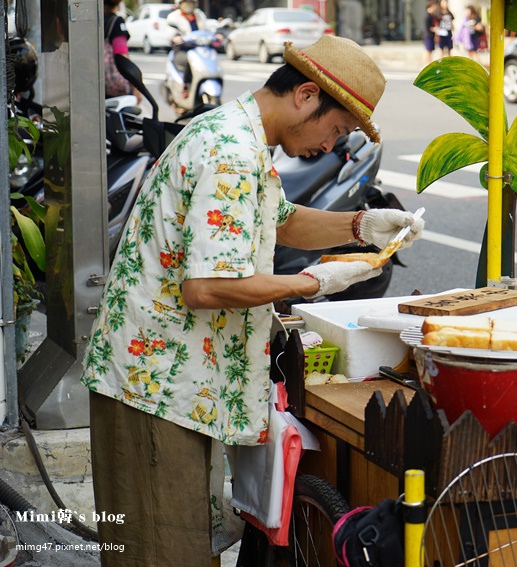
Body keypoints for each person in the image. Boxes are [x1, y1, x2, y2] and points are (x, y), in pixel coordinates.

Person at [81, 35, 425, 566]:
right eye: (337, 130)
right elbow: (208, 287)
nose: (332, 146)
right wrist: (312, 284)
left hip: (171, 381)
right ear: (306, 95)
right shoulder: (231, 151)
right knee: (163, 551)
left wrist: (362, 226)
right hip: (154, 386)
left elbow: (280, 221)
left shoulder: (237, 132)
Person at [166, 0, 209, 98]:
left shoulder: (199, 15)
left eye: (190, 3)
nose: (188, 6)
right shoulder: (173, 16)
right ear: (180, 4)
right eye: (185, 3)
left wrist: (215, 36)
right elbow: (170, 33)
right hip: (183, 48)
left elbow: (207, 30)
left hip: (200, 48)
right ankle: (186, 86)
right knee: (186, 61)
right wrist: (175, 37)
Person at [103, 0, 141, 101]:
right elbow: (122, 56)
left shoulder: (88, 21)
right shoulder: (115, 21)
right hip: (111, 87)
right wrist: (135, 87)